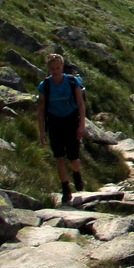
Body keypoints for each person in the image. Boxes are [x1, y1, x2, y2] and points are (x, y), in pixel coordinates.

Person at [37, 54, 86, 204]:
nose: (56, 71)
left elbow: (80, 103)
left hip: (71, 120)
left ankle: (76, 174)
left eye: (58, 67)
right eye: (52, 68)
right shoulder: (44, 85)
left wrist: (81, 124)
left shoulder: (72, 81)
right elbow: (40, 109)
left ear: (62, 67)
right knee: (59, 157)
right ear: (48, 69)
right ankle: (66, 189)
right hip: (54, 122)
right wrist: (42, 131)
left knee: (73, 159)